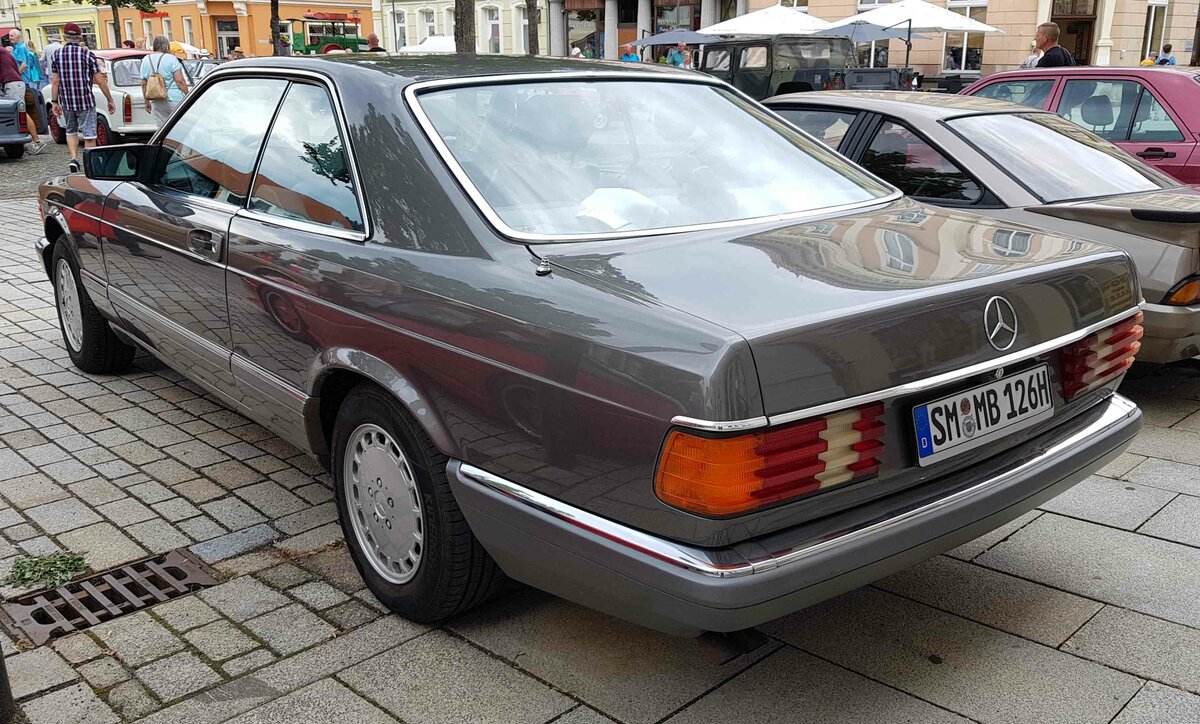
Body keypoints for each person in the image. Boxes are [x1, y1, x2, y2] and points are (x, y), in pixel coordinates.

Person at [50, 22, 115, 173]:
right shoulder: (87, 55)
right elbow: (99, 80)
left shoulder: (57, 55)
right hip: (85, 101)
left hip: (67, 101)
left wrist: (54, 102)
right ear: (79, 37)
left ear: (65, 37)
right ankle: (88, 164)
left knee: (70, 131)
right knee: (89, 134)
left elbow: (55, 81)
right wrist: (109, 99)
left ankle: (74, 159)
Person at [7, 30, 46, 155]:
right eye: (9, 35)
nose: (10, 37)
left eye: (12, 35)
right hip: (22, 81)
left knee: (22, 110)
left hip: (23, 81)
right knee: (22, 110)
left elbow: (23, 65)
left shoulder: (21, 48)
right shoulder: (16, 48)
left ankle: (37, 140)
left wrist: (15, 75)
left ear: (19, 36)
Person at [140, 35, 188, 128]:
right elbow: (180, 81)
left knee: (162, 127)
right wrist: (187, 94)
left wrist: (146, 101)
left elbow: (144, 84)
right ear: (166, 46)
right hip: (174, 97)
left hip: (157, 98)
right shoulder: (172, 59)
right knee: (178, 126)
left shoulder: (146, 60)